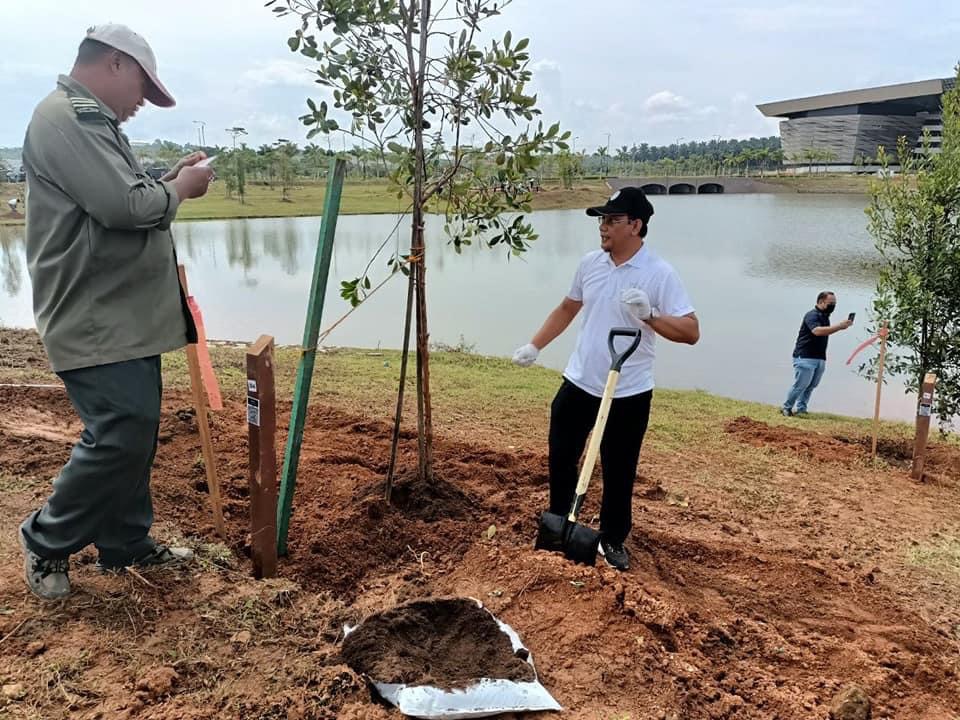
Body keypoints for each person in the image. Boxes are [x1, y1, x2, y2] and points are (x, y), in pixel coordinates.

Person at [18, 24, 215, 600]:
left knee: (134, 431)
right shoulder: (68, 118)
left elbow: (124, 190)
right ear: (115, 64)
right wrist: (180, 190)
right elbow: (123, 206)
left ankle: (125, 543)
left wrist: (166, 178)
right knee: (121, 432)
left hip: (119, 315)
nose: (139, 107)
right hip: (93, 313)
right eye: (143, 91)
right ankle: (46, 538)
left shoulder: (90, 123)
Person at [512, 187, 699, 571]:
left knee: (619, 468)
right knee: (562, 455)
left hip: (628, 391)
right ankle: (559, 521)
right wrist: (535, 345)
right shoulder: (590, 264)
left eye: (612, 220)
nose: (603, 227)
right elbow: (567, 307)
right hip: (580, 381)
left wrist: (651, 317)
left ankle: (612, 538)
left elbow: (691, 331)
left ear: (636, 225)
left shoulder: (659, 274)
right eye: (602, 220)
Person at [781, 291, 853, 417]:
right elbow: (817, 331)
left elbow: (825, 332)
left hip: (819, 358)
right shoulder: (812, 315)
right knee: (801, 385)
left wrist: (840, 326)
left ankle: (801, 408)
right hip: (805, 356)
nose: (833, 306)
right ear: (820, 302)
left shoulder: (825, 317)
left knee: (811, 385)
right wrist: (839, 326)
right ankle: (787, 407)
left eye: (835, 303)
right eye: (830, 303)